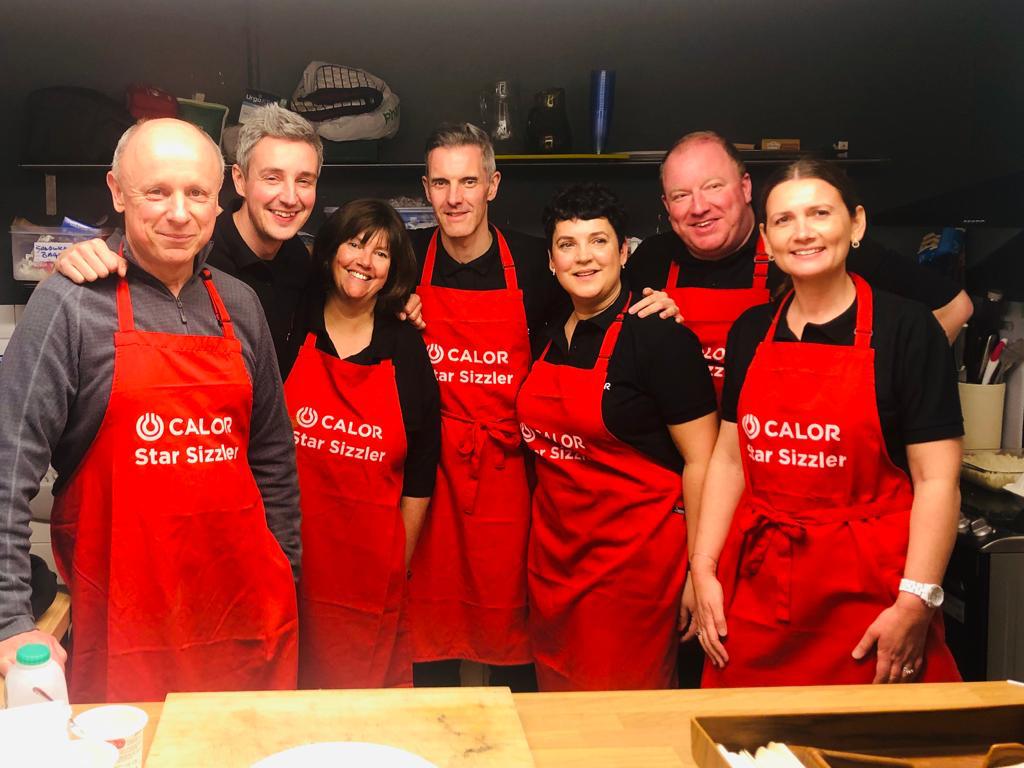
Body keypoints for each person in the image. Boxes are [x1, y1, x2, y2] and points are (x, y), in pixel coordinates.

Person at [0, 118, 300, 702]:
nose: (180, 213)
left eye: (197, 194)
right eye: (156, 192)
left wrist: (286, 573)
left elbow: (273, 460)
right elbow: (6, 470)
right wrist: (10, 621)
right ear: (117, 191)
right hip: (125, 631)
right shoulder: (68, 304)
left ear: (220, 200)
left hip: (245, 625)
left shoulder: (240, 305)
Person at [406, 123, 679, 690]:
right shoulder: (405, 261)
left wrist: (659, 304)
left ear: (493, 185)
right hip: (431, 476)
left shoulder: (536, 263)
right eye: (440, 183)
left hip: (513, 477)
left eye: (468, 181)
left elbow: (601, 292)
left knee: (513, 635)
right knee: (425, 632)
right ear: (426, 189)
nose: (454, 197)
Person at [690, 159, 963, 687]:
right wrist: (702, 566)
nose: (804, 232)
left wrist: (917, 601)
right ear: (767, 239)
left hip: (870, 595)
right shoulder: (751, 331)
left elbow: (937, 480)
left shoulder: (908, 330)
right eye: (785, 220)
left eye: (820, 213)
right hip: (758, 588)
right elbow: (729, 459)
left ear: (856, 224)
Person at [517, 184, 719, 691]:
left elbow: (705, 462)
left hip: (633, 571)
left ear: (623, 251)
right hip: (553, 563)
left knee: (621, 722)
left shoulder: (659, 336)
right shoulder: (544, 337)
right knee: (558, 713)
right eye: (568, 244)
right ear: (550, 260)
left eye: (598, 241)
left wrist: (700, 571)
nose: (583, 257)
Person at [626, 131, 973, 400]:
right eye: (680, 195)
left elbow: (955, 306)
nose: (698, 206)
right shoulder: (651, 260)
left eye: (713, 186)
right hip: (696, 455)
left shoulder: (808, 249)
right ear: (666, 206)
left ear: (745, 188)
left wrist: (888, 392)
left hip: (798, 446)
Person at [284, 199, 440, 689]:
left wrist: (400, 562)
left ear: (393, 270)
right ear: (331, 250)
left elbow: (420, 469)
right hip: (290, 560)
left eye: (381, 253)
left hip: (369, 575)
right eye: (354, 244)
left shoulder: (406, 345)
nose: (364, 262)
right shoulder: (292, 325)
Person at [53, 105, 323, 377]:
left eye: (304, 181)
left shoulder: (299, 259)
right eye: (272, 178)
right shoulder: (190, 246)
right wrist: (69, 263)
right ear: (239, 181)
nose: (289, 197)